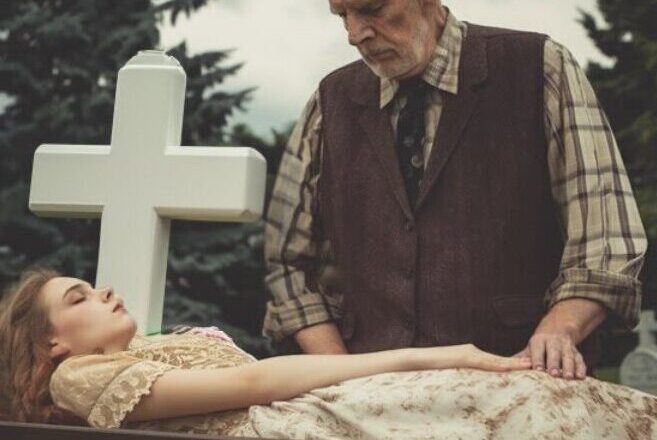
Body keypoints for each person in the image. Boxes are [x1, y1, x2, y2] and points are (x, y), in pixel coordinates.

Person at [263, 0, 648, 382]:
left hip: (520, 384)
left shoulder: (539, 67)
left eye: (372, 9)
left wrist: (559, 330)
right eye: (342, 16)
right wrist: (341, 373)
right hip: (364, 395)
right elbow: (289, 265)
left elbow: (607, 242)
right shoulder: (329, 101)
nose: (353, 34)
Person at [0, 269, 655, 439]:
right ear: (51, 343)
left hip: (317, 409)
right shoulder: (77, 378)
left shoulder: (147, 349)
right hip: (305, 422)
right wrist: (420, 357)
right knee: (522, 396)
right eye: (80, 297)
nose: (104, 292)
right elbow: (255, 385)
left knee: (542, 391)